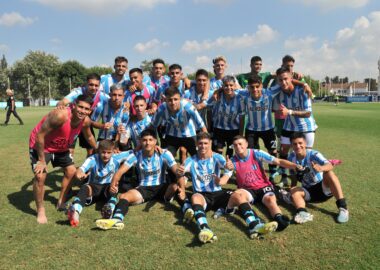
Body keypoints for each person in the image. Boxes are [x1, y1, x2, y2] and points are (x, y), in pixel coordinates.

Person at [29, 94, 97, 224]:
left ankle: (61, 202)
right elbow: (40, 135)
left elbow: (89, 137)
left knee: (71, 171)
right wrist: (42, 160)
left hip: (61, 146)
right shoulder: (60, 116)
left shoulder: (86, 121)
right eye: (80, 107)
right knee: (40, 176)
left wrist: (97, 149)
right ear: (74, 105)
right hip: (41, 146)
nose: (82, 111)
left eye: (86, 109)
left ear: (90, 111)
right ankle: (40, 210)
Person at [95, 129, 181, 230]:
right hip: (144, 188)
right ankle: (117, 220)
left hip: (162, 187)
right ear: (140, 141)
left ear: (155, 141)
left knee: (176, 186)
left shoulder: (164, 153)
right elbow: (120, 172)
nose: (147, 143)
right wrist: (112, 186)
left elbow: (178, 172)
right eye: (144, 140)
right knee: (124, 196)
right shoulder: (135, 155)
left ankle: (186, 207)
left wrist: (183, 189)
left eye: (150, 140)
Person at [226, 136, 302, 231]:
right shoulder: (232, 161)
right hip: (247, 190)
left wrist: (295, 166)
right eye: (235, 145)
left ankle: (279, 219)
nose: (238, 147)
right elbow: (224, 179)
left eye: (240, 144)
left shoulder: (256, 153)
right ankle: (255, 222)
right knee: (239, 195)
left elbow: (278, 161)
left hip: (263, 186)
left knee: (270, 200)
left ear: (246, 144)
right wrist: (228, 168)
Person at [286, 133, 349, 224]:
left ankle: (343, 208)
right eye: (294, 144)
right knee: (294, 190)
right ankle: (302, 213)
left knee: (329, 173)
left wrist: (321, 168)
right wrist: (292, 190)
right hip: (308, 193)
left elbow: (330, 165)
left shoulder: (313, 154)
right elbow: (293, 176)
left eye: (300, 143)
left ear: (305, 143)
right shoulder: (291, 157)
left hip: (323, 188)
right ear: (291, 145)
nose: (298, 146)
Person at [67, 140, 132, 227]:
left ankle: (108, 211)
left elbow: (134, 151)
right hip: (94, 187)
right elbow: (80, 169)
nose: (106, 155)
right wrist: (79, 174)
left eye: (109, 152)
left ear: (113, 151)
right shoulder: (92, 159)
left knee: (114, 187)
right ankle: (75, 213)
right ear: (98, 151)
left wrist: (154, 146)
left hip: (108, 187)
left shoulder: (117, 157)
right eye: (103, 152)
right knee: (84, 188)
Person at [275, 67, 317, 186]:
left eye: (286, 79)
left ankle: (308, 182)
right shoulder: (279, 91)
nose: (283, 82)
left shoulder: (302, 90)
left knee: (305, 155)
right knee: (283, 151)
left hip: (306, 127)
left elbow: (307, 113)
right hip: (289, 127)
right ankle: (284, 178)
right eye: (280, 80)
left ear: (291, 78)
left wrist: (289, 112)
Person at [57, 73, 109, 156]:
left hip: (87, 124)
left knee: (91, 150)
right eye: (91, 85)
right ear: (86, 84)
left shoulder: (102, 96)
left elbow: (115, 101)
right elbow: (64, 101)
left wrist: (126, 105)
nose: (94, 88)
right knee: (69, 150)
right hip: (73, 123)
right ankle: (69, 167)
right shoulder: (78, 92)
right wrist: (60, 104)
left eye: (96, 85)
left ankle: (87, 168)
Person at [208, 75, 245, 157]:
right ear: (222, 86)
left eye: (231, 85)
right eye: (226, 85)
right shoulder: (217, 96)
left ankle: (229, 168)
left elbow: (242, 117)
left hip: (233, 129)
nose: (229, 87)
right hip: (219, 128)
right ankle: (218, 167)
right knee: (218, 150)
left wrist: (241, 134)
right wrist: (209, 127)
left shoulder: (239, 98)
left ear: (235, 86)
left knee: (230, 149)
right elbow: (209, 110)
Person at [91, 84, 130, 151]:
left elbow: (123, 127)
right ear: (110, 94)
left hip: (121, 137)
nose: (117, 98)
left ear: (123, 96)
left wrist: (116, 144)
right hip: (104, 137)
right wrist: (102, 126)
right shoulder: (101, 106)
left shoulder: (126, 107)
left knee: (125, 153)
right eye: (114, 95)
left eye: (120, 95)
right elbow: (92, 122)